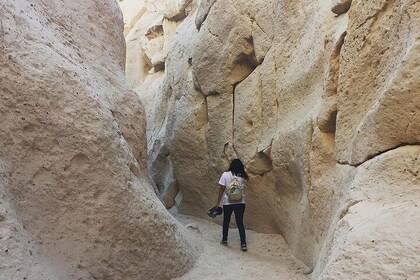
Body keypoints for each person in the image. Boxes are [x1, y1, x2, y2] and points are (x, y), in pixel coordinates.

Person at [214, 159, 249, 252]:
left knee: (226, 221)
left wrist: (217, 203)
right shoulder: (243, 176)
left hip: (228, 202)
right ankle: (243, 244)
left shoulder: (225, 175)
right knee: (240, 223)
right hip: (240, 203)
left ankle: (224, 240)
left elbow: (221, 189)